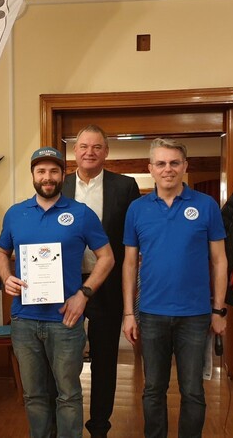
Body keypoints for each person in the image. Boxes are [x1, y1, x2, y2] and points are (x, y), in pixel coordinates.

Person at [0, 146, 114, 438]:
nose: (47, 177)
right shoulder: (15, 213)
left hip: (66, 320)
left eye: (53, 171)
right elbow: (1, 251)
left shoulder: (81, 213)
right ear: (33, 175)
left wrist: (84, 293)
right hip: (23, 319)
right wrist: (6, 276)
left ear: (63, 175)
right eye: (41, 171)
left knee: (68, 394)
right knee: (33, 395)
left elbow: (107, 257)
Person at [122, 138, 227, 438]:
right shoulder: (137, 209)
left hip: (195, 315)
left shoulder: (206, 206)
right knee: (153, 389)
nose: (168, 169)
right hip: (151, 314)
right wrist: (129, 313)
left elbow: (220, 261)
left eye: (174, 163)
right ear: (150, 168)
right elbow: (129, 264)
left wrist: (219, 309)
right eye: (161, 163)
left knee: (193, 390)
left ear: (185, 167)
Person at [62, 124, 139, 437]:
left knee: (105, 359)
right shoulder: (59, 185)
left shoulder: (125, 186)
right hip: (66, 283)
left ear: (106, 152)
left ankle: (99, 427)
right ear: (75, 152)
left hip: (106, 283)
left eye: (96, 147)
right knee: (65, 357)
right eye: (83, 147)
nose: (89, 152)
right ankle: (65, 421)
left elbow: (133, 238)